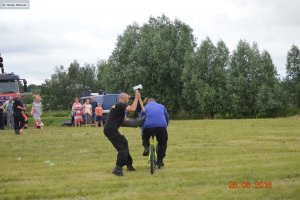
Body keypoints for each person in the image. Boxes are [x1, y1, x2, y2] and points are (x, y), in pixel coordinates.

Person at [104, 91, 140, 176]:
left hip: (110, 129)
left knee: (124, 143)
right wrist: (136, 98)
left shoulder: (119, 108)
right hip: (110, 130)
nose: (128, 100)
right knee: (122, 147)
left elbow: (126, 120)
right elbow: (132, 109)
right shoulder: (120, 104)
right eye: (127, 98)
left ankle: (129, 165)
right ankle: (118, 168)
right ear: (123, 98)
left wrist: (138, 122)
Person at [141, 98, 169, 168]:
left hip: (148, 128)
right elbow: (166, 117)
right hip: (161, 127)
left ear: (148, 102)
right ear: (155, 102)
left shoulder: (145, 107)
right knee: (163, 143)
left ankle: (147, 147)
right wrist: (166, 124)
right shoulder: (161, 106)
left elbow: (140, 118)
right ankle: (160, 160)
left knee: (144, 137)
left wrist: (141, 128)